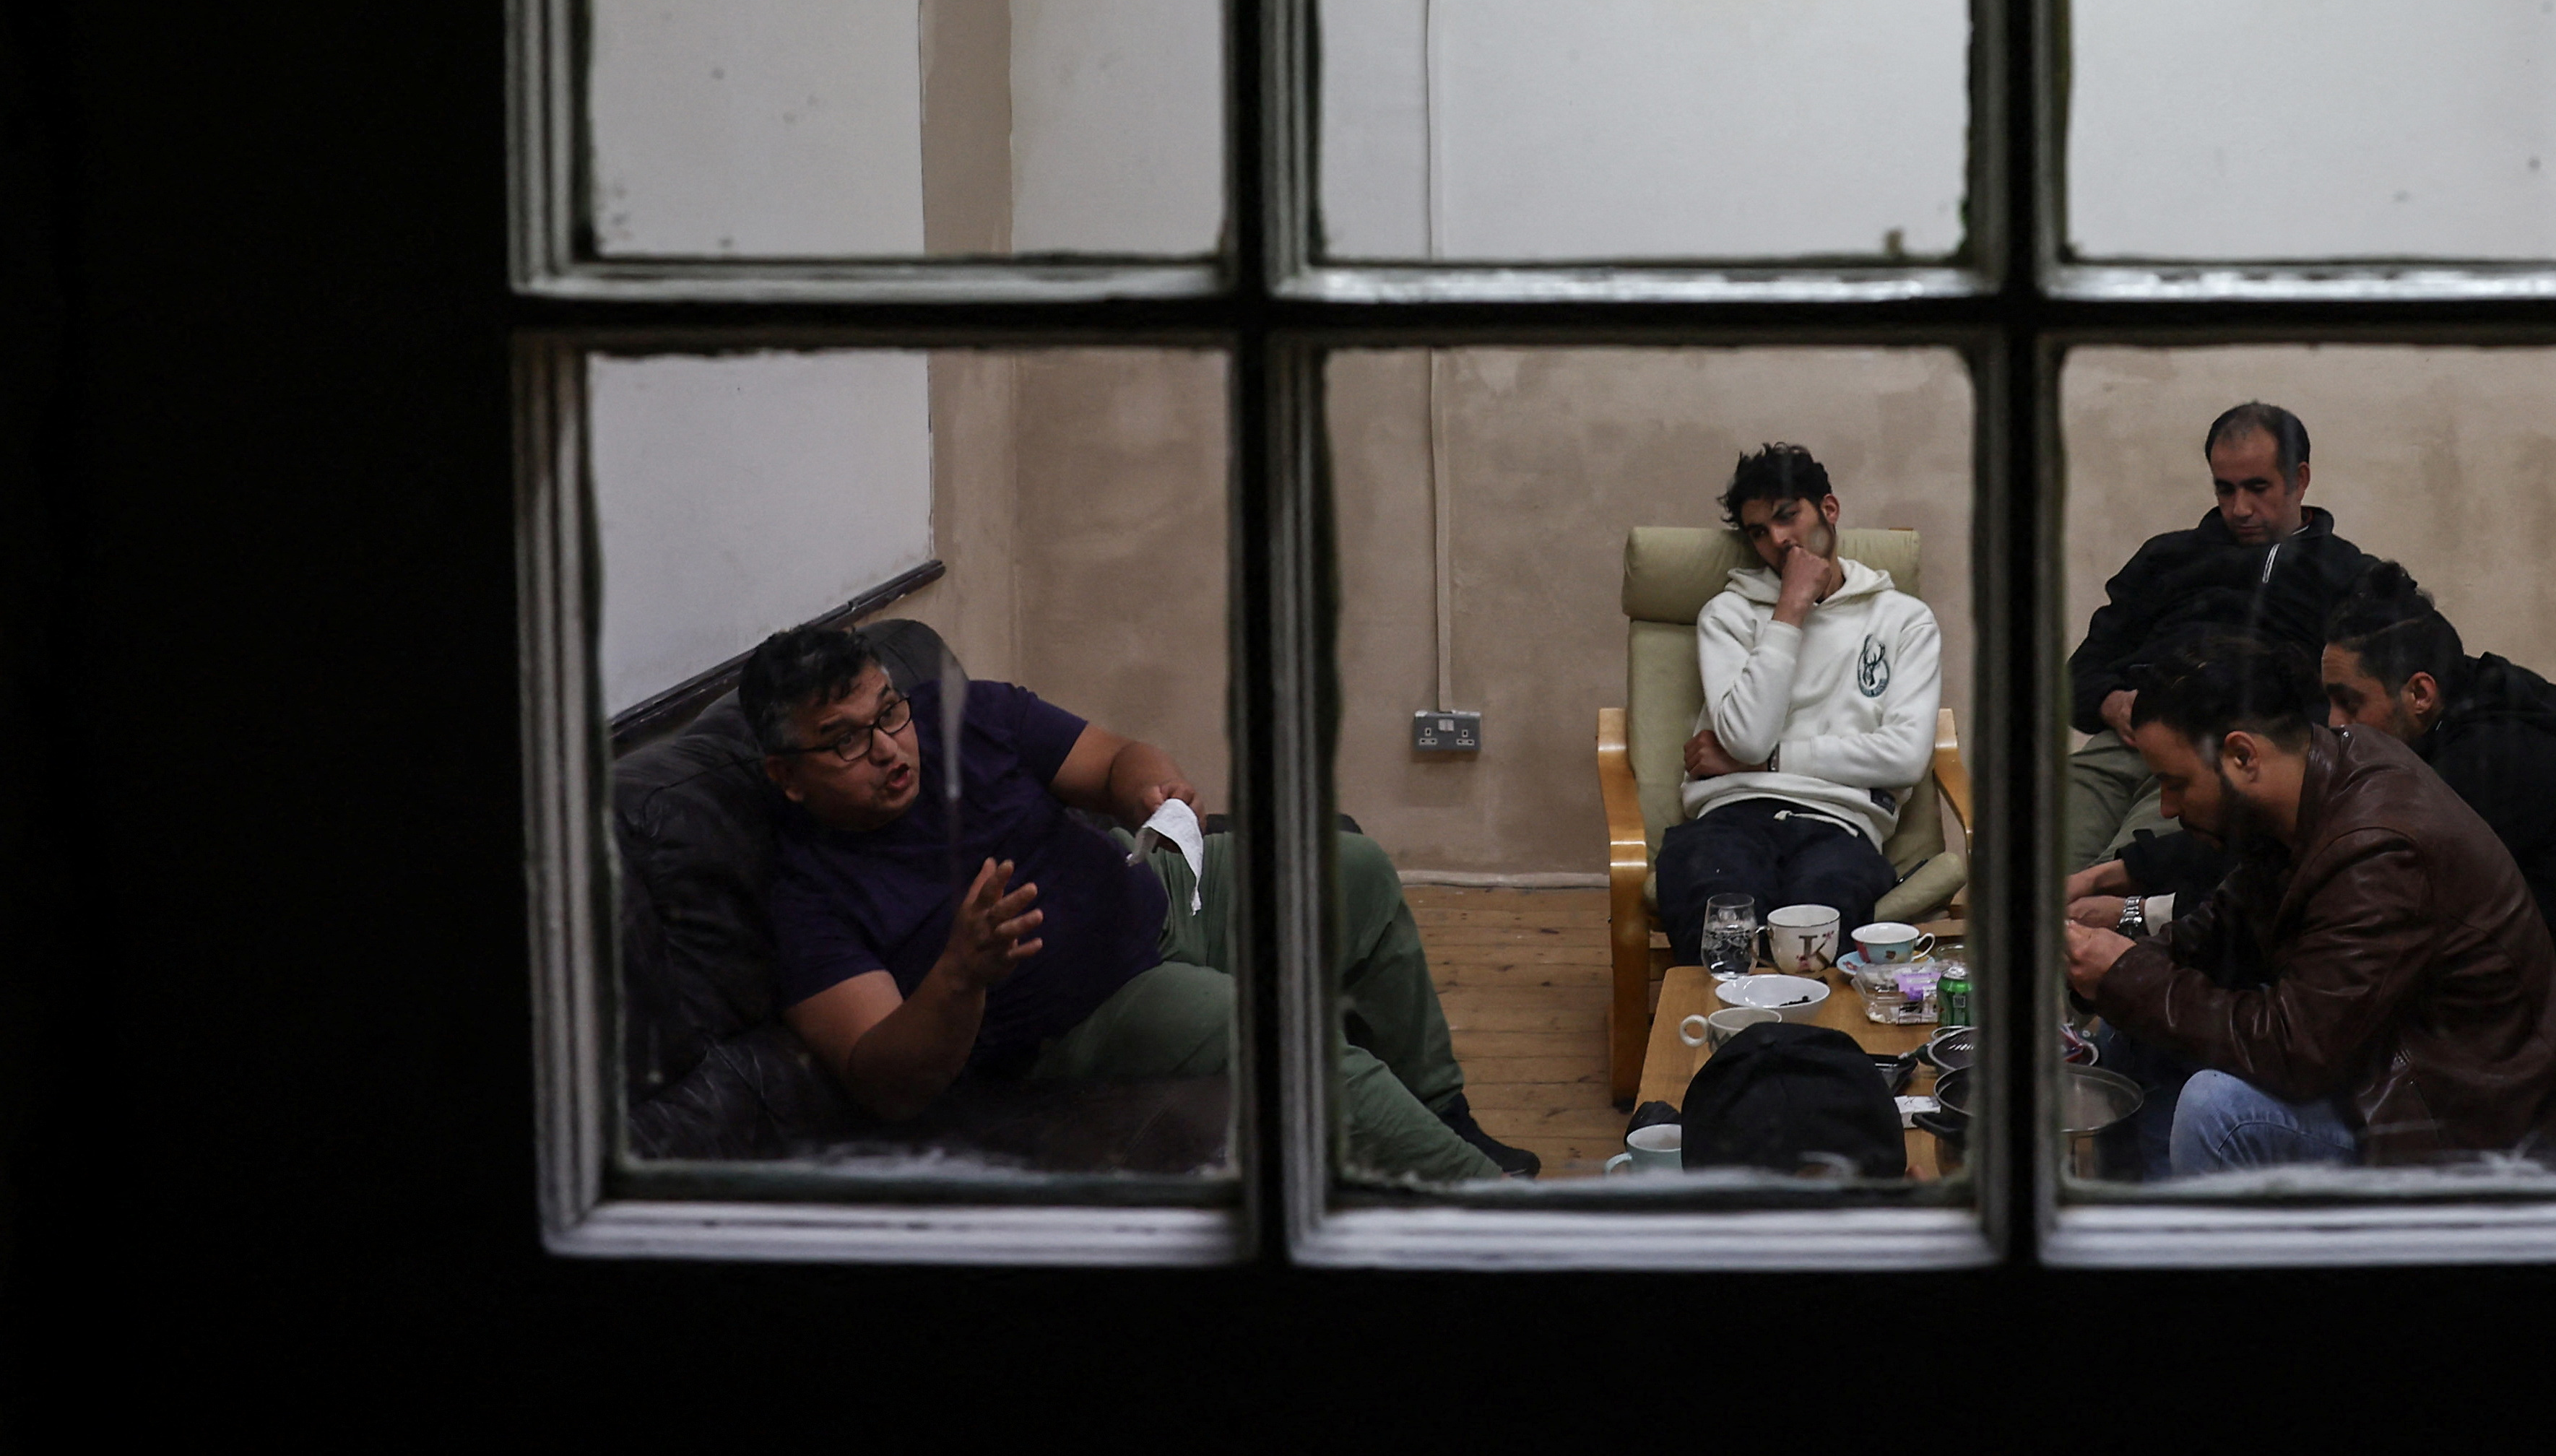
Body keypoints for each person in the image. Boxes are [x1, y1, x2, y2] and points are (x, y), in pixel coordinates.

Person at [747, 625, 1534, 1183]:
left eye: (888, 711)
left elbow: (1116, 757)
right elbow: (884, 1079)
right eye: (846, 739)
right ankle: (1492, 1210)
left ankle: (1442, 1112)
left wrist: (1149, 793)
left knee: (1351, 870)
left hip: (1158, 891)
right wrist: (960, 974)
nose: (889, 747)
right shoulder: (809, 897)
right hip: (1096, 1009)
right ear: (787, 774)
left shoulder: (965, 714)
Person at [2064, 630, 2556, 1175]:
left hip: (2455, 1125)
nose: (2165, 808)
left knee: (2219, 1110)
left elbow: (2297, 1051)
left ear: (2242, 755)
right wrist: (2105, 964)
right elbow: (2224, 933)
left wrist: (2129, 975)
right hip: (2369, 1059)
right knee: (2127, 1020)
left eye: (2175, 783)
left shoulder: (2378, 850)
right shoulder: (2314, 781)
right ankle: (2140, 1206)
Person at [2059, 402, 2382, 889]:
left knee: (2111, 879)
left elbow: (2363, 701)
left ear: (2299, 479)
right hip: (2124, 742)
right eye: (2225, 489)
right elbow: (2077, 675)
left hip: (2228, 753)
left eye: (2257, 487)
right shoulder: (2166, 557)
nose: (2240, 508)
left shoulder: (2349, 575)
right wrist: (2109, 700)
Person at [1652, 443, 1944, 964]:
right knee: (1719, 919)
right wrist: (1790, 609)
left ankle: (1801, 1018)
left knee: (1819, 929)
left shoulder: (1905, 619)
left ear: (1828, 510)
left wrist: (1769, 762)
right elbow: (1746, 738)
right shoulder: (1728, 614)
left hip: (1841, 823)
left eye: (1787, 516)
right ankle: (1722, 1018)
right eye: (1758, 532)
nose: (1777, 540)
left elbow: (1903, 758)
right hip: (1730, 815)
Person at [2318, 563, 2556, 963]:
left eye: (2350, 703)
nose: (2334, 724)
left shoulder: (2482, 766)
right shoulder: (2468, 726)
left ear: (2420, 694)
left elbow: (2385, 914)